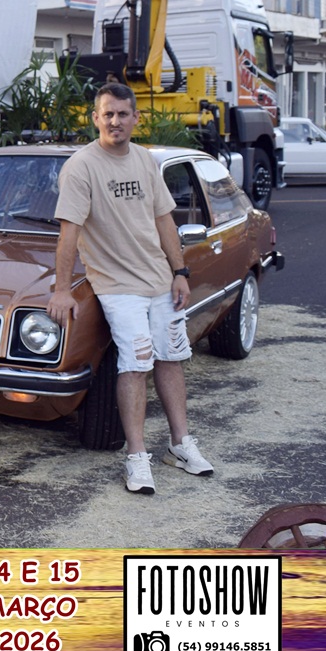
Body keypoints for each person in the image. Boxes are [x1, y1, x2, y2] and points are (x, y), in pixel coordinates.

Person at [46, 82, 212, 495]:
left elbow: (163, 220)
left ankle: (180, 444)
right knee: (135, 364)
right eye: (108, 114)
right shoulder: (82, 167)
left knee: (171, 358)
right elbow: (69, 233)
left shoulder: (144, 160)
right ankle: (137, 457)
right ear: (96, 118)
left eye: (123, 113)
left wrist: (180, 271)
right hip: (118, 286)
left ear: (136, 118)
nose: (115, 121)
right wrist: (62, 290)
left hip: (160, 280)